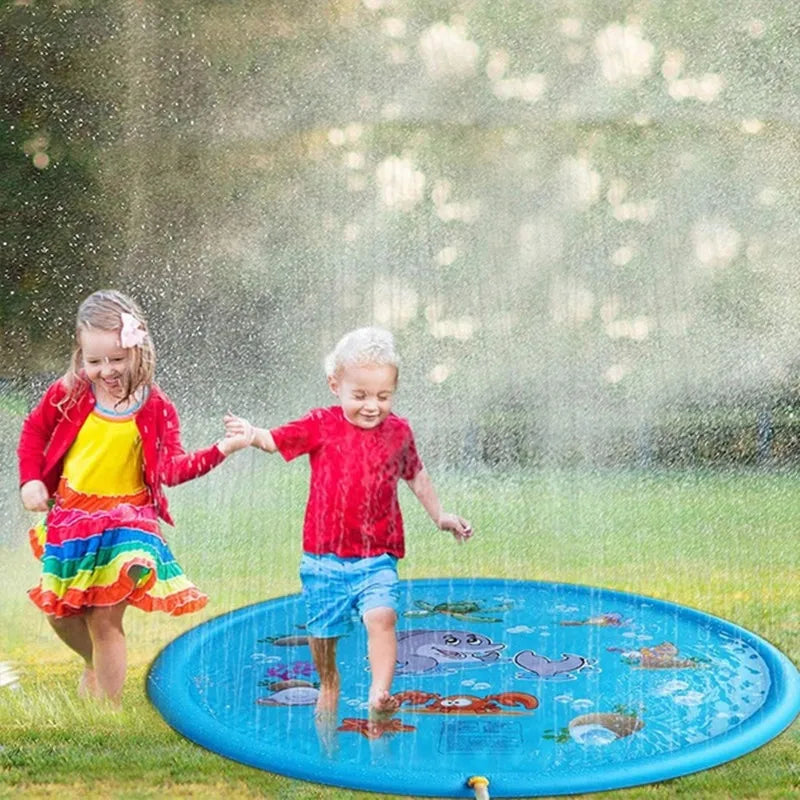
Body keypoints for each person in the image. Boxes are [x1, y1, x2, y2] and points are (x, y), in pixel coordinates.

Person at [224, 326, 472, 728]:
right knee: (322, 633)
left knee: (383, 616)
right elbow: (276, 440)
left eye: (383, 396)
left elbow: (416, 475)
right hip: (323, 558)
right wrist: (253, 434)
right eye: (360, 396)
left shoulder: (399, 432)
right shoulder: (321, 424)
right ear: (335, 385)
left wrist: (440, 515)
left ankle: (379, 692)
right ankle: (329, 682)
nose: (372, 406)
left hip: (377, 556)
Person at [17, 289, 251, 708]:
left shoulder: (156, 406)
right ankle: (96, 662)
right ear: (81, 354)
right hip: (73, 516)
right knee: (61, 613)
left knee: (106, 618)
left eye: (116, 359)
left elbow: (171, 470)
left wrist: (221, 449)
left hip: (129, 520)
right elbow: (34, 433)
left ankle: (108, 711)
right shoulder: (68, 392)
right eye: (94, 361)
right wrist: (31, 481)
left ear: (137, 350)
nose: (106, 370)